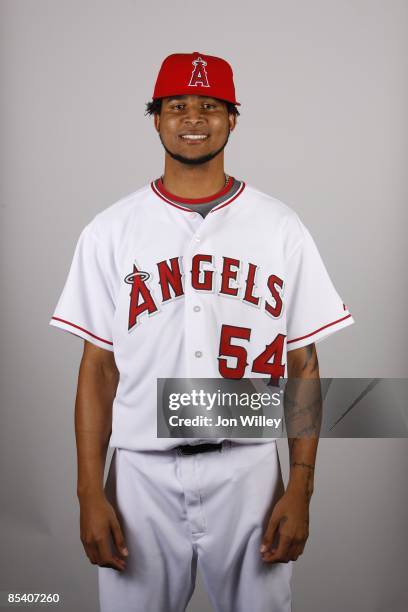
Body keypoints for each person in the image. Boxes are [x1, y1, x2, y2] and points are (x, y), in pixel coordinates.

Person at [49, 52, 355, 612]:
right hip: (140, 473)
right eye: (177, 106)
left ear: (233, 118)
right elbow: (97, 369)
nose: (193, 117)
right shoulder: (110, 231)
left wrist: (300, 488)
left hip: (249, 470)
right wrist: (89, 492)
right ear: (156, 118)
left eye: (210, 106)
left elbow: (304, 367)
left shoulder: (280, 227)